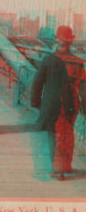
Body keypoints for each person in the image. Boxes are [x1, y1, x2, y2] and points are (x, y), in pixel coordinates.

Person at [31, 25, 86, 180]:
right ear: (70, 42)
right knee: (68, 133)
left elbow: (37, 83)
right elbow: (84, 87)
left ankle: (58, 169)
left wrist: (36, 103)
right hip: (72, 103)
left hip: (54, 102)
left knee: (55, 135)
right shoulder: (78, 61)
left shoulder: (49, 60)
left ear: (57, 40)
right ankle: (66, 166)